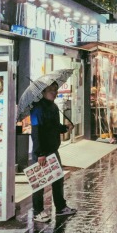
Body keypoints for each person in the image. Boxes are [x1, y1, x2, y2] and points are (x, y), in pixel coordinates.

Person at [30, 82, 77, 223]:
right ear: (43, 92)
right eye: (51, 90)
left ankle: (61, 207)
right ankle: (37, 211)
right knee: (39, 182)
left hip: (53, 149)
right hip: (42, 152)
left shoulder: (54, 107)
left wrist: (65, 128)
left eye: (55, 90)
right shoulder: (37, 109)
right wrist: (40, 153)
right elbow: (36, 132)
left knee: (58, 179)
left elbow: (54, 127)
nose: (54, 92)